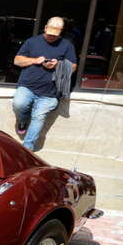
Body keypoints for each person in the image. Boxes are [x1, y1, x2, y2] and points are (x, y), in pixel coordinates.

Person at [12, 16, 77, 151]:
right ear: (45, 28)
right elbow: (17, 61)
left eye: (55, 35)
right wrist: (35, 60)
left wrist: (57, 64)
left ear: (61, 31)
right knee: (19, 104)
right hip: (28, 86)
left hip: (50, 92)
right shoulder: (32, 42)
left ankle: (27, 149)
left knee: (39, 116)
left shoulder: (67, 45)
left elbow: (74, 67)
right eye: (49, 34)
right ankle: (23, 121)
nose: (51, 37)